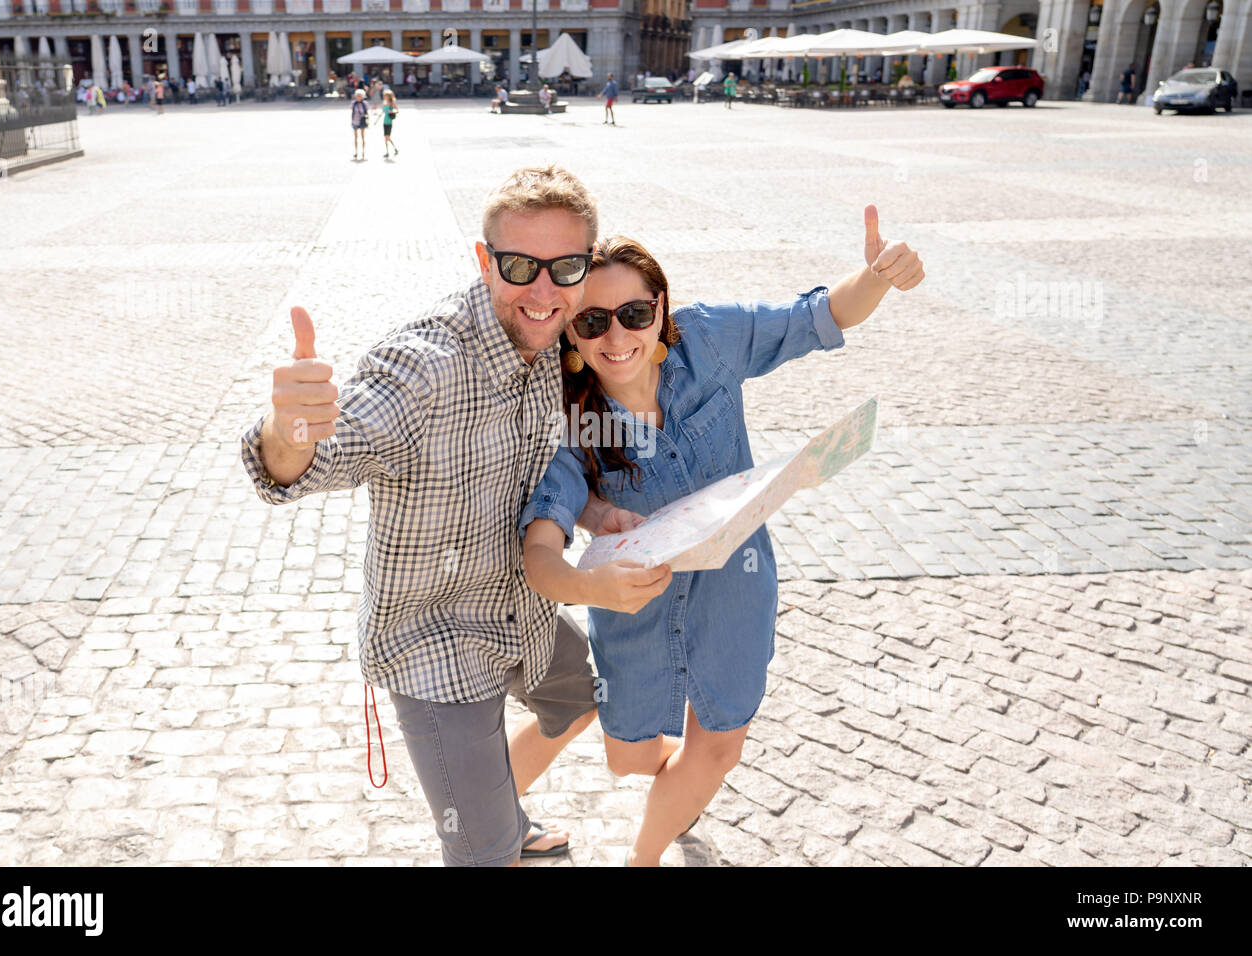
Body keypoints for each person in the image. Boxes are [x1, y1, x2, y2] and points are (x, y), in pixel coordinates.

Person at [241, 165, 636, 867]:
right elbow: (326, 455)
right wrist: (288, 432)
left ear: (585, 269)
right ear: (484, 261)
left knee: (587, 695)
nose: (543, 291)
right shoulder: (422, 367)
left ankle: (501, 815)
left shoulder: (553, 345)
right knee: (480, 857)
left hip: (520, 607)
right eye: (519, 266)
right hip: (433, 644)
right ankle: (489, 834)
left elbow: (549, 463)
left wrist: (597, 509)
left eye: (565, 267)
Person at [519, 212, 925, 867]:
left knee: (720, 741)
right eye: (592, 322)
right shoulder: (567, 418)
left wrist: (876, 279)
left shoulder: (708, 338)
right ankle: (675, 793)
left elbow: (817, 317)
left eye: (633, 313)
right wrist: (591, 580)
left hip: (735, 582)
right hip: (635, 603)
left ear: (662, 308)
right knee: (631, 757)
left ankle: (645, 856)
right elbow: (540, 549)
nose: (616, 336)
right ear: (570, 331)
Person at [350, 88, 369, 159]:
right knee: (356, 137)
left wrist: (368, 121)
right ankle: (356, 152)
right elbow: (352, 112)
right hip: (355, 121)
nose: (358, 97)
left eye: (360, 95)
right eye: (357, 95)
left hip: (362, 122)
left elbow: (367, 113)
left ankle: (363, 152)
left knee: (363, 137)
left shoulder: (365, 104)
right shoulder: (353, 103)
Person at [381, 88, 399, 159]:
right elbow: (383, 112)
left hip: (389, 122)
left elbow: (397, 110)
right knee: (386, 137)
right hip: (384, 121)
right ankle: (388, 151)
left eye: (386, 96)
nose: (385, 97)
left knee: (387, 137)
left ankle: (393, 149)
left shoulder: (392, 103)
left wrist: (391, 112)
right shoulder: (384, 103)